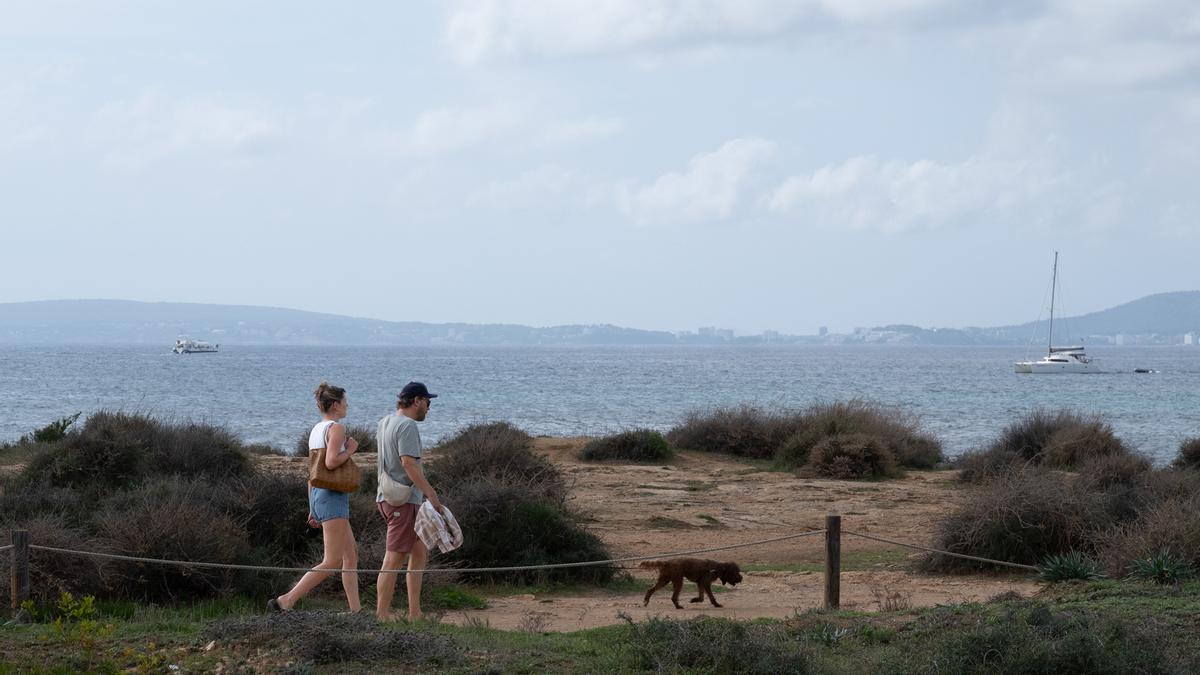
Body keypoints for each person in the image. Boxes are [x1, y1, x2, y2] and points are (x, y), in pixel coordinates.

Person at [268, 382, 361, 613]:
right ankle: (286, 601)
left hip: (319, 495)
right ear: (336, 405)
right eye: (345, 402)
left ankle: (356, 612)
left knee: (351, 556)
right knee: (331, 562)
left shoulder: (316, 430)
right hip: (333, 496)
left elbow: (313, 474)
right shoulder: (336, 429)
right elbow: (330, 463)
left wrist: (312, 506)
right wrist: (350, 450)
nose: (347, 406)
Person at [375, 381, 443, 621]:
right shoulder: (407, 427)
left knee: (419, 552)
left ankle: (415, 613)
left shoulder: (385, 422)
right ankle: (381, 616)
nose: (429, 407)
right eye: (427, 402)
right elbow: (408, 463)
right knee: (393, 558)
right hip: (401, 501)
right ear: (416, 401)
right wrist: (431, 494)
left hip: (391, 496)